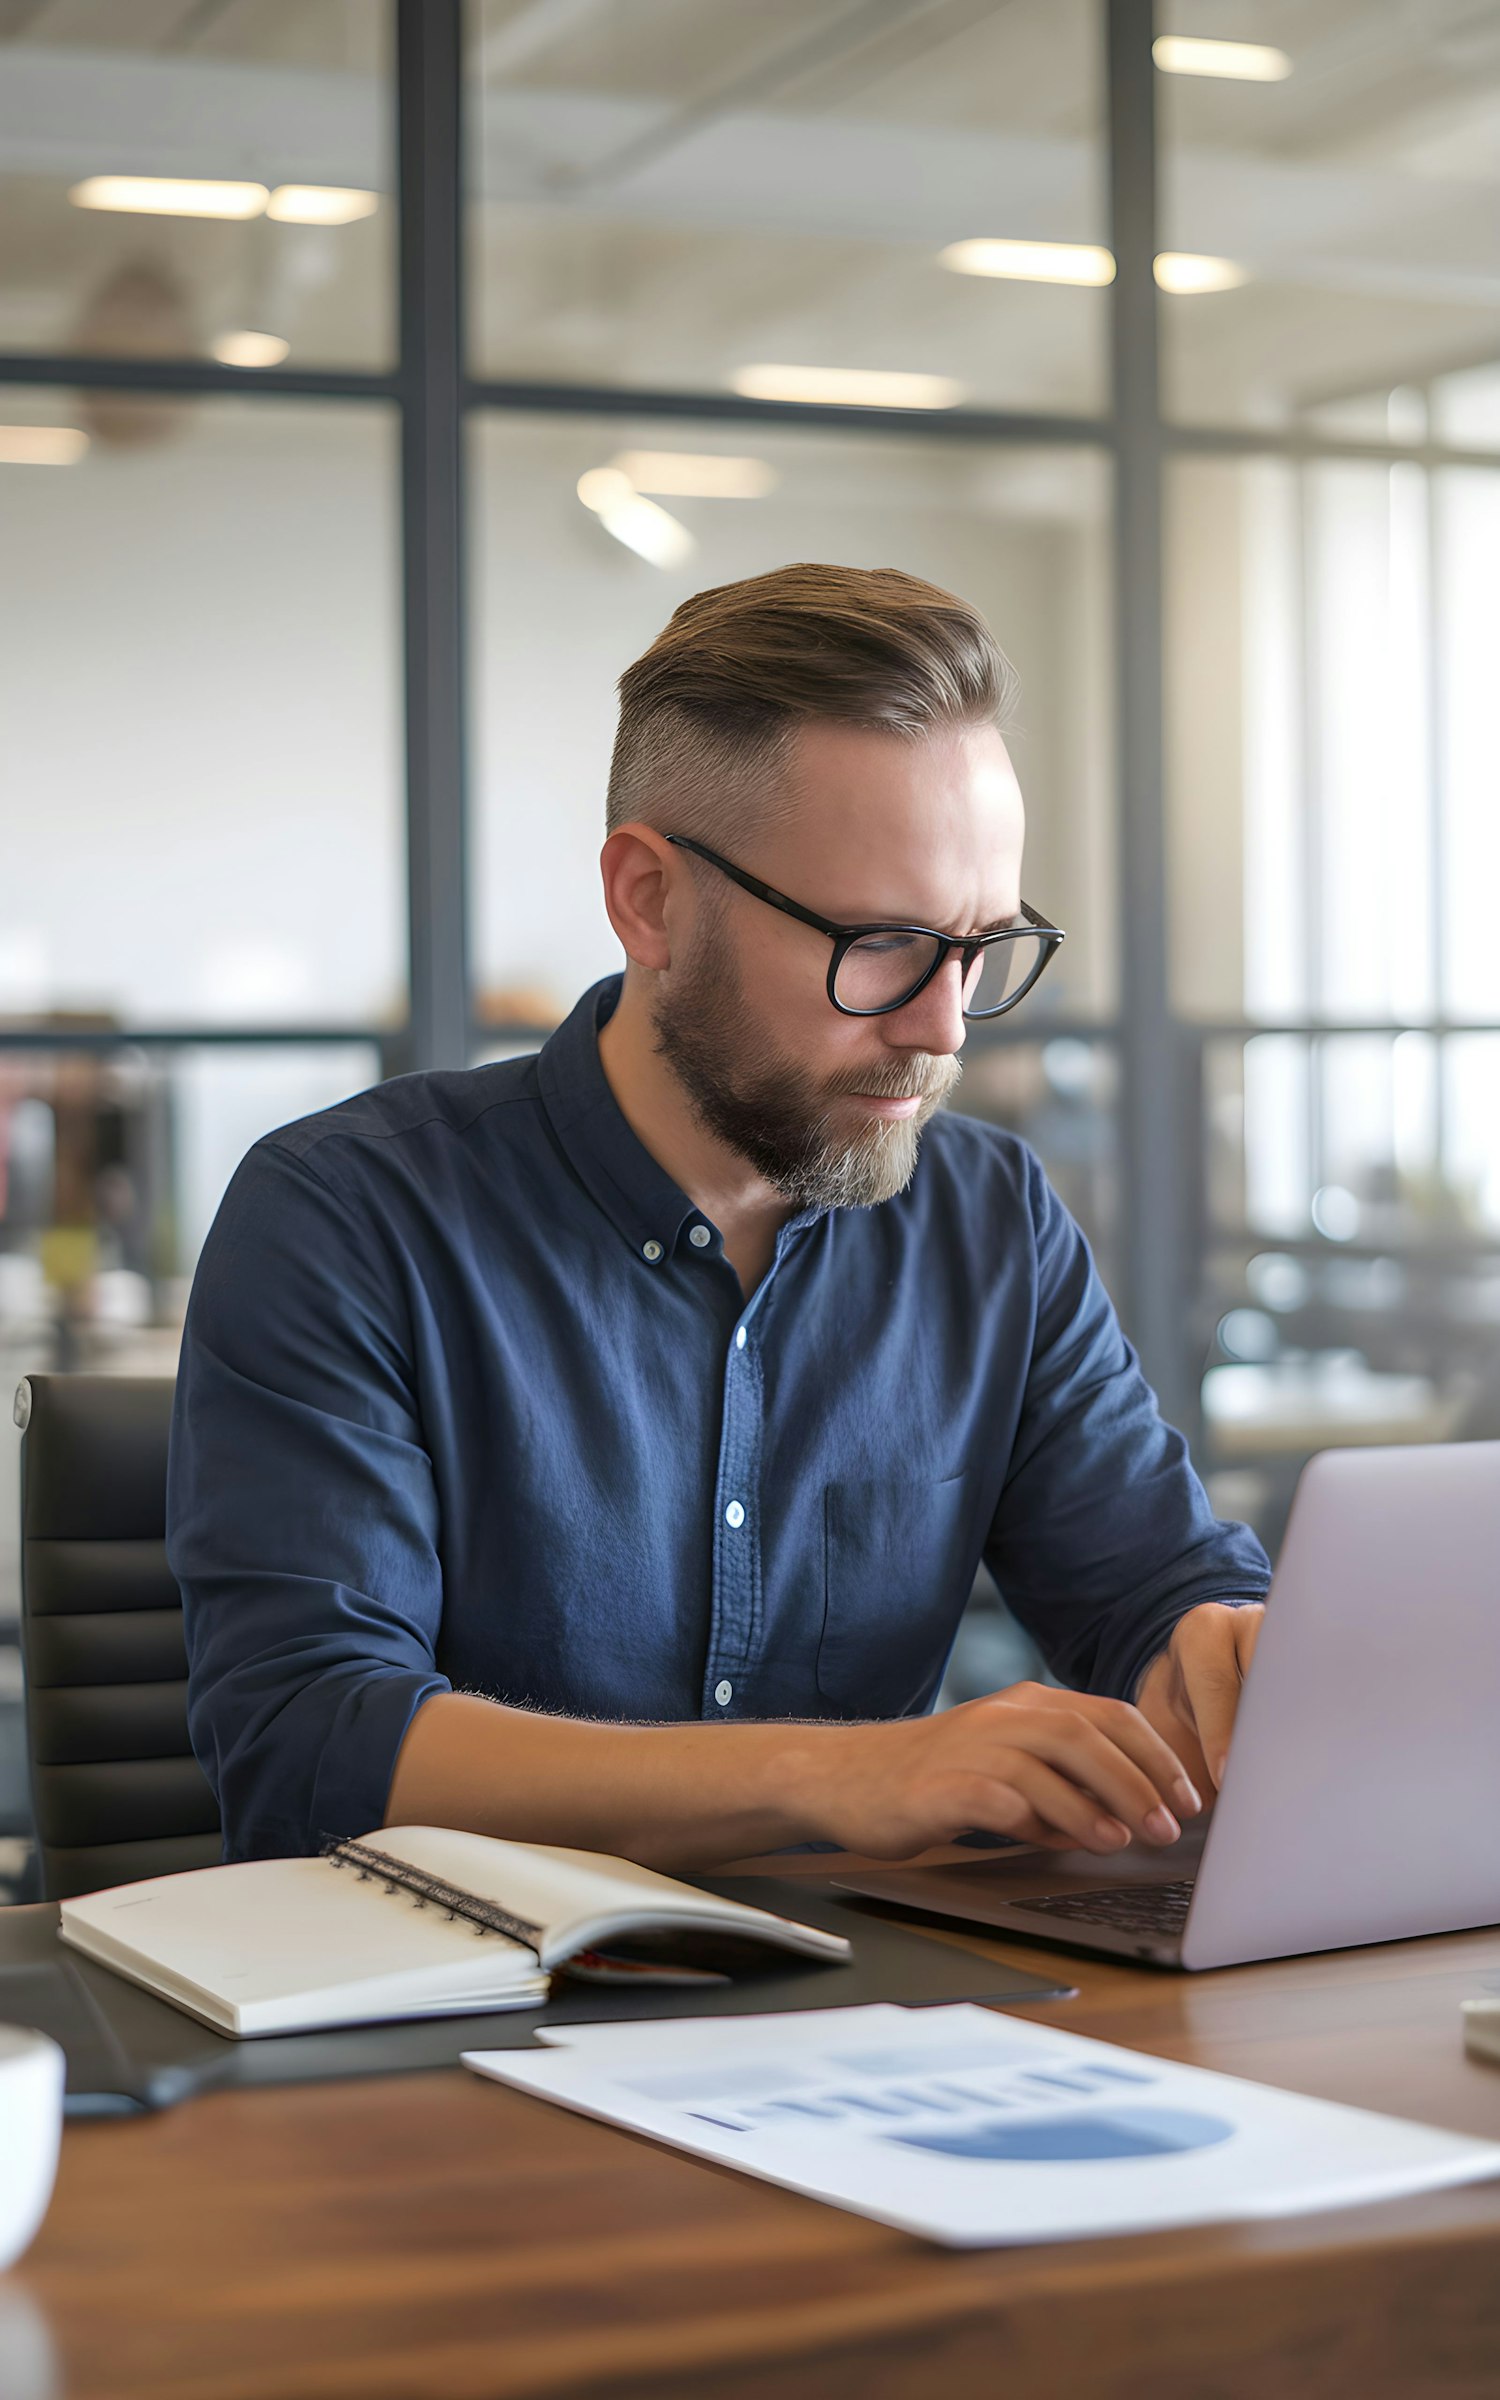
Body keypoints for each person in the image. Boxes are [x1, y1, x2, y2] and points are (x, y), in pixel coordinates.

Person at [170, 563, 1269, 1869]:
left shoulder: (990, 1218)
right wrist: (838, 1773)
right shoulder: (350, 1218)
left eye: (979, 946)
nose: (943, 1026)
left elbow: (1154, 1587)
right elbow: (310, 1745)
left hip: (870, 2012)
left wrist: (1221, 1643)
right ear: (649, 900)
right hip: (446, 2028)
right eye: (881, 944)